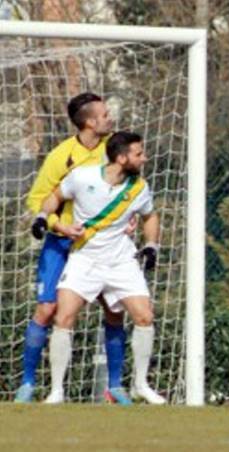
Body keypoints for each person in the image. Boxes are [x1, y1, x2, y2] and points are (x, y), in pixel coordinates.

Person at [34, 131, 165, 405]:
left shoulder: (139, 187)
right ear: (121, 158)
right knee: (63, 318)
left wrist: (152, 245)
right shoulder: (83, 176)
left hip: (121, 261)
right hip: (84, 259)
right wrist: (44, 217)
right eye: (139, 153)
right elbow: (54, 196)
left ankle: (141, 384)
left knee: (144, 317)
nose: (145, 158)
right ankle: (56, 390)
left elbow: (150, 215)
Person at [15, 92, 129, 404]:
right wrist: (58, 224)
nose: (110, 118)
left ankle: (116, 386)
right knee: (47, 309)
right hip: (62, 241)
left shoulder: (114, 152)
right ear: (90, 122)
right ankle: (27, 384)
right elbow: (37, 199)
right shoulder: (61, 155)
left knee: (114, 308)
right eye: (105, 114)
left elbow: (129, 190)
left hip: (102, 244)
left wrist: (128, 219)